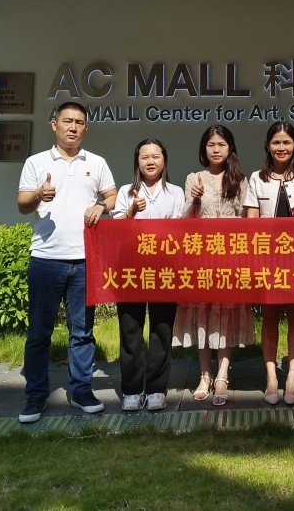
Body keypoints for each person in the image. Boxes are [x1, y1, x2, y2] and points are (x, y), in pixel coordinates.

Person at [15, 101, 118, 424]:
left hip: (85, 260)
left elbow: (112, 195)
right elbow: (22, 204)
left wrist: (102, 206)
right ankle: (35, 395)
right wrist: (38, 195)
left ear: (86, 128)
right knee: (39, 332)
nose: (73, 127)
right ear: (54, 125)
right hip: (46, 259)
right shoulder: (36, 162)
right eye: (67, 121)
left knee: (82, 332)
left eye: (79, 122)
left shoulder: (97, 163)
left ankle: (82, 391)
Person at [174, 125, 254, 407]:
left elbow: (247, 219)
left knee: (227, 312)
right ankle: (204, 374)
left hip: (230, 256)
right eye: (211, 144)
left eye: (221, 144)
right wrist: (195, 200)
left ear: (230, 149)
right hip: (201, 257)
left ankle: (222, 374)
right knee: (203, 313)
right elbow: (185, 219)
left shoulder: (240, 180)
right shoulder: (193, 178)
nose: (216, 149)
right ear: (204, 149)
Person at [243, 121, 294, 405]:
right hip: (268, 257)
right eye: (276, 142)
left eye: (287, 142)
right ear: (267, 146)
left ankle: (292, 378)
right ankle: (271, 377)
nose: (281, 147)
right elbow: (250, 221)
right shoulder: (257, 178)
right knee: (270, 316)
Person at [111, 138, 185, 412]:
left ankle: (156, 389)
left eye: (156, 156)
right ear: (137, 162)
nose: (150, 161)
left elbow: (179, 230)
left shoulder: (176, 192)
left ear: (164, 160)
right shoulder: (125, 191)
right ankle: (132, 391)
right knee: (130, 329)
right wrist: (131, 212)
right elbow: (115, 229)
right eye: (145, 157)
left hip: (164, 268)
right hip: (130, 268)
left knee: (161, 329)